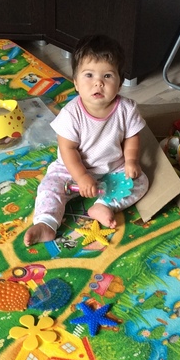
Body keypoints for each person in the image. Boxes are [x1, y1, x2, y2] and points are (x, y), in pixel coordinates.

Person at [24, 34, 149, 247]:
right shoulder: (71, 114)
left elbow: (131, 137)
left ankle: (104, 205)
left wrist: (131, 161)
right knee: (50, 186)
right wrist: (81, 177)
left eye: (107, 76)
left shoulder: (127, 108)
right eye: (89, 75)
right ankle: (46, 222)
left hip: (112, 167)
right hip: (72, 169)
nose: (98, 83)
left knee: (141, 181)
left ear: (120, 83)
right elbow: (68, 149)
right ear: (76, 82)